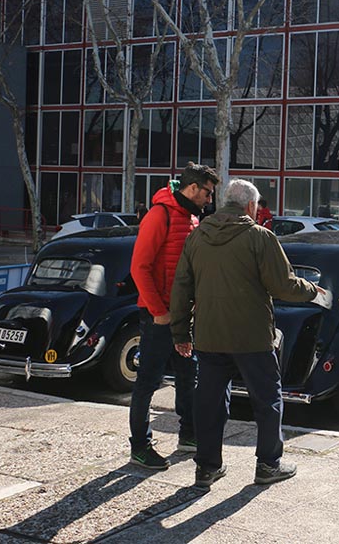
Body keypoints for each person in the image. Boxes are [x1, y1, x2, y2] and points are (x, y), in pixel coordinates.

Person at [170, 178, 326, 490]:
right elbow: (283, 285)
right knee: (267, 400)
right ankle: (269, 465)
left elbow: (182, 287)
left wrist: (180, 333)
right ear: (251, 206)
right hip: (252, 337)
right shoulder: (260, 237)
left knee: (210, 402)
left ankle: (206, 468)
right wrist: (314, 291)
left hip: (210, 336)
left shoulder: (198, 235)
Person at [128, 162, 219, 470]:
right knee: (147, 383)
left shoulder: (191, 217)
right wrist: (160, 313)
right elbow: (139, 268)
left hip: (183, 316)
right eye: (207, 192)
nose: (210, 199)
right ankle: (140, 446)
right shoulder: (160, 215)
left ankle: (189, 436)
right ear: (192, 188)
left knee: (188, 376)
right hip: (159, 317)